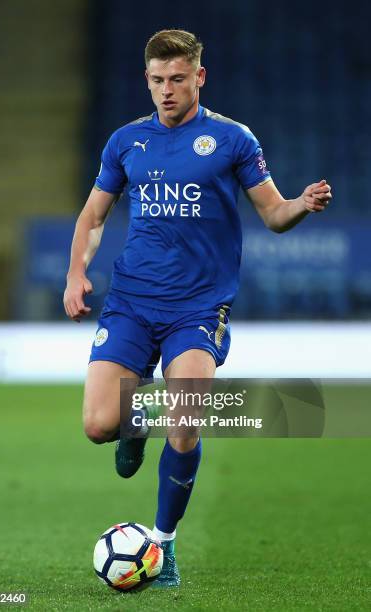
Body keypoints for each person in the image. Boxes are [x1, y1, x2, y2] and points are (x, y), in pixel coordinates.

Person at [63, 29, 332, 587]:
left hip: (199, 308)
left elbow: (275, 215)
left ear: (199, 78)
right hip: (131, 301)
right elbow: (93, 217)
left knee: (186, 419)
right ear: (147, 79)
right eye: (157, 80)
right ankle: (134, 424)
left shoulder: (231, 140)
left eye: (177, 79)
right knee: (97, 425)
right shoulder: (126, 143)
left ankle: (163, 545)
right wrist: (76, 273)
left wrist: (302, 204)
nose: (166, 90)